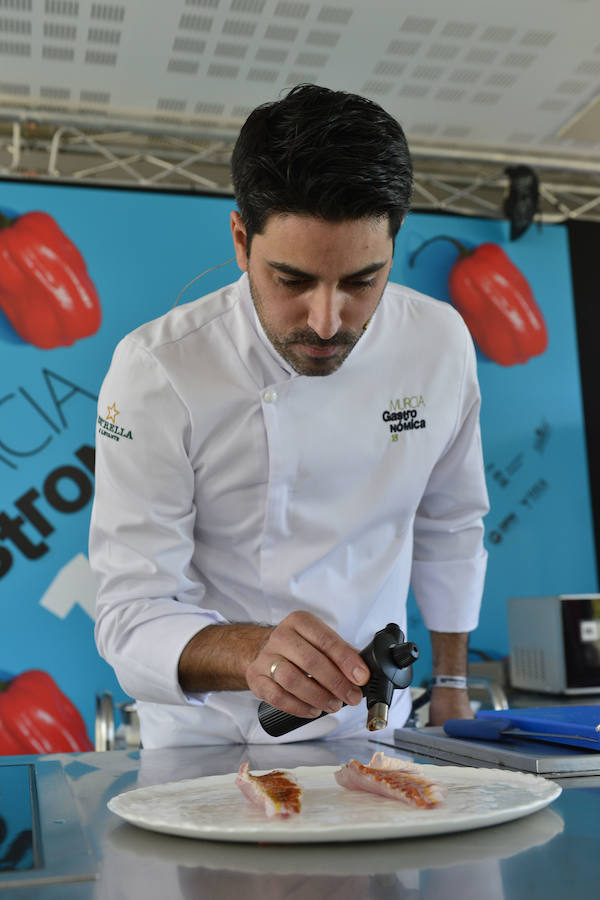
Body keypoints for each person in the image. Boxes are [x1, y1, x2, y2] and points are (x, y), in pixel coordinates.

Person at [89, 84, 489, 747]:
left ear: (394, 244)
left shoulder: (438, 343)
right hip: (210, 740)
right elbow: (131, 613)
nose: (327, 322)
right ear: (242, 240)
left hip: (372, 728)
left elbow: (451, 523)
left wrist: (451, 684)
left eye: (362, 281)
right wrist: (254, 655)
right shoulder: (157, 371)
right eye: (294, 281)